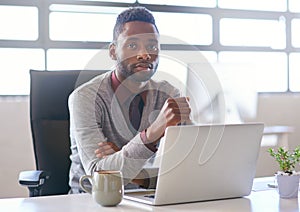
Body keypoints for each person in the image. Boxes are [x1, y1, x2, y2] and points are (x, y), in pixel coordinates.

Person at [68, 6, 192, 193]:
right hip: (90, 201)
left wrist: (125, 165)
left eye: (152, 46)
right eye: (132, 45)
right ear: (113, 52)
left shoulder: (168, 95)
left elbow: (187, 168)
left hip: (146, 196)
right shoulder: (85, 98)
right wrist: (152, 134)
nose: (144, 54)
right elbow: (98, 176)